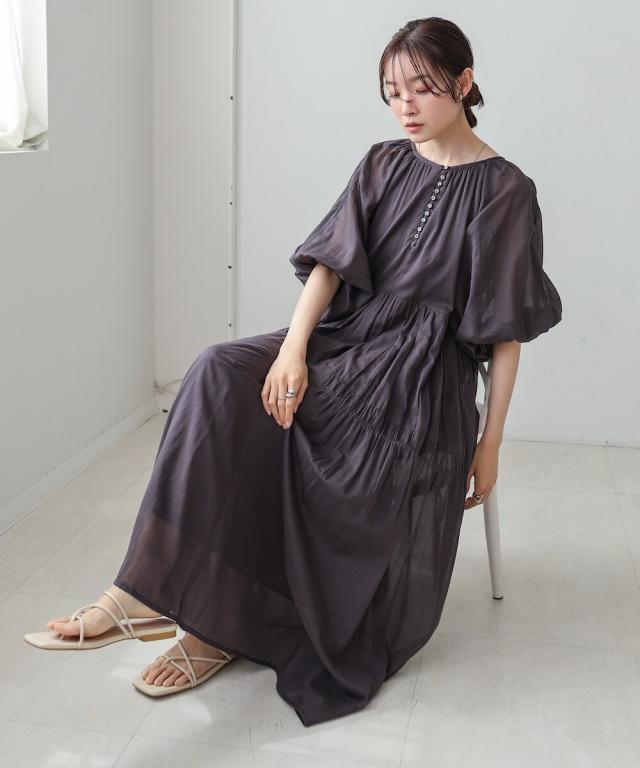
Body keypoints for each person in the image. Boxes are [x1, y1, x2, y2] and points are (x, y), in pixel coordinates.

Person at [24, 16, 562, 726]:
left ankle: (218, 623)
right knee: (219, 372)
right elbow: (333, 264)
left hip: (420, 373)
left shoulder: (507, 191)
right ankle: (145, 593)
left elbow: (504, 334)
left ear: (464, 83)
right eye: (391, 91)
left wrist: (489, 445)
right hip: (343, 335)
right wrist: (292, 348)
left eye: (421, 88)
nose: (404, 106)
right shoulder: (382, 162)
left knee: (326, 431)